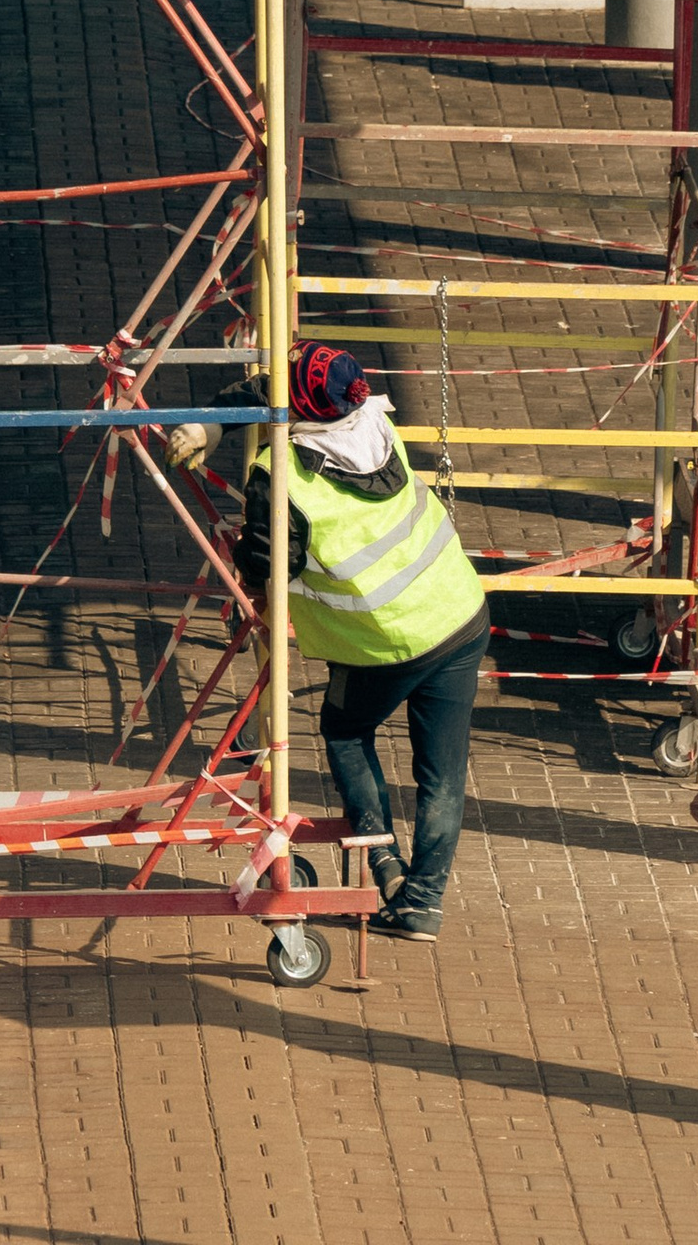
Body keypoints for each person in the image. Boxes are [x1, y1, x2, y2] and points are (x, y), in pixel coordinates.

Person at [180, 341, 489, 944]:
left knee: (347, 732)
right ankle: (421, 902)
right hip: (459, 614)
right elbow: (273, 390)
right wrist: (215, 421)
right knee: (442, 776)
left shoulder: (283, 475)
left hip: (386, 642)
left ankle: (381, 860)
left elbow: (270, 563)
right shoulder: (376, 422)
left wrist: (242, 548)